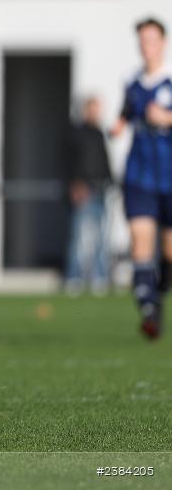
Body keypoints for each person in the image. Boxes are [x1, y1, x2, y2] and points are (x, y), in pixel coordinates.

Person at [111, 17, 172, 339]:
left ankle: (158, 294)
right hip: (139, 176)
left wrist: (166, 118)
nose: (145, 46)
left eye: (151, 39)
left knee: (169, 251)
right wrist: (118, 125)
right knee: (140, 238)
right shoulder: (132, 83)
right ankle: (148, 307)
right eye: (141, 40)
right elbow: (125, 113)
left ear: (162, 42)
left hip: (170, 177)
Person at [64, 96, 113, 294]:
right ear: (86, 110)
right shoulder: (76, 133)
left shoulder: (100, 133)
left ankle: (100, 277)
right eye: (93, 109)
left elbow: (104, 161)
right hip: (84, 189)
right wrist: (75, 184)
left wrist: (111, 181)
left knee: (102, 238)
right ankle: (73, 277)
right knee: (78, 237)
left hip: (101, 189)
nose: (97, 113)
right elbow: (68, 162)